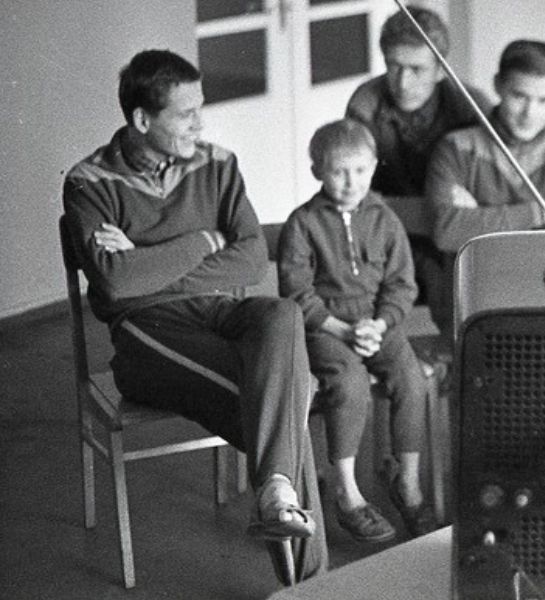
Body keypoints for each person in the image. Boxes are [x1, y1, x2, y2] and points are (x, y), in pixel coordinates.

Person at [61, 49, 325, 583]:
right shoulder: (88, 182)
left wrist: (142, 260)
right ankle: (309, 582)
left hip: (216, 311)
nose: (200, 124)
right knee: (282, 403)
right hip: (144, 332)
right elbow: (116, 286)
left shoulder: (218, 163)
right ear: (141, 120)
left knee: (280, 315)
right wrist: (206, 240)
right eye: (186, 115)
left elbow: (252, 256)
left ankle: (278, 495)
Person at [278, 119, 435, 541]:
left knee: (411, 379)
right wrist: (342, 330)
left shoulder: (385, 220)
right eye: (338, 172)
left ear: (373, 167)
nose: (351, 183)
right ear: (317, 171)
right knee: (349, 383)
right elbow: (296, 291)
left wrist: (381, 323)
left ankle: (408, 483)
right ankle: (348, 493)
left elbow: (402, 284)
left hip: (376, 322)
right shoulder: (303, 223)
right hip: (325, 326)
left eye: (361, 171)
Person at [346, 5, 492, 333]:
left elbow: (484, 203)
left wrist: (452, 219)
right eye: (393, 66)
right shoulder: (364, 105)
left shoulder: (471, 107)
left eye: (417, 69)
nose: (402, 81)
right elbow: (354, 197)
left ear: (441, 69)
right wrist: (439, 212)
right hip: (385, 229)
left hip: (451, 241)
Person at [428, 39, 545, 256]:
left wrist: (479, 220)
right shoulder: (455, 147)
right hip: (479, 286)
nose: (529, 113)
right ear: (497, 85)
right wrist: (540, 214)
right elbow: (447, 232)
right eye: (519, 96)